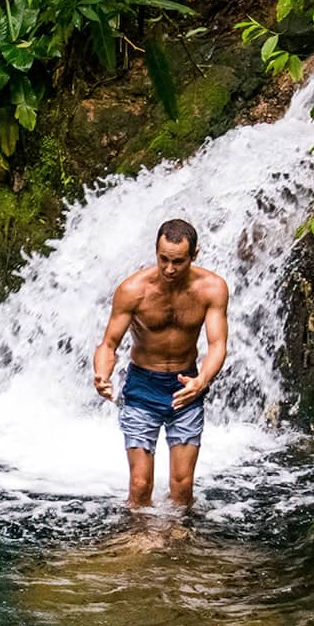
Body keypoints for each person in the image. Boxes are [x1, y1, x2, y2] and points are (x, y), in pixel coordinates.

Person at [92, 218, 230, 509]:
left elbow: (217, 344)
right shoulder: (133, 290)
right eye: (163, 259)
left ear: (194, 255)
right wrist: (102, 374)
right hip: (143, 387)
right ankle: (139, 543)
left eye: (178, 261)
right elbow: (108, 343)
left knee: (183, 487)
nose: (169, 268)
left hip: (186, 388)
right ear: (156, 251)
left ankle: (178, 542)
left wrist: (202, 380)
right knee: (140, 486)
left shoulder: (212, 289)